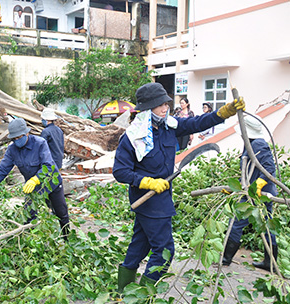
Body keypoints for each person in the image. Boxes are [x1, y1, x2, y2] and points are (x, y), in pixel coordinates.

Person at [113, 83, 245, 292]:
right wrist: (148, 181)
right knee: (165, 251)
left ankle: (123, 290)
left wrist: (222, 114)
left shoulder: (170, 126)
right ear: (147, 108)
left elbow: (196, 123)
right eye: (160, 105)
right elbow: (120, 171)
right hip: (148, 201)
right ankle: (143, 300)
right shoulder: (133, 137)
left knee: (141, 243)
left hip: (162, 200)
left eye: (166, 103)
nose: (165, 108)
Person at [0, 118, 70, 239]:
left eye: (19, 137)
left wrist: (36, 179)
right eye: (14, 138)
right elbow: (3, 170)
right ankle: (30, 243)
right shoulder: (12, 150)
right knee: (29, 215)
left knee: (61, 213)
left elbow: (49, 165)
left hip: (50, 183)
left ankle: (67, 239)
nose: (17, 140)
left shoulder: (40, 143)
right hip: (31, 188)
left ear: (27, 133)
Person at [222, 114, 278, 271]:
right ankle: (270, 263)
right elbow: (249, 172)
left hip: (257, 194)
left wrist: (258, 186)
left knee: (236, 222)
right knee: (266, 225)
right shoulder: (250, 144)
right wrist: (235, 189)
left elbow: (269, 169)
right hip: (252, 192)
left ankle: (225, 259)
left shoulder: (258, 144)